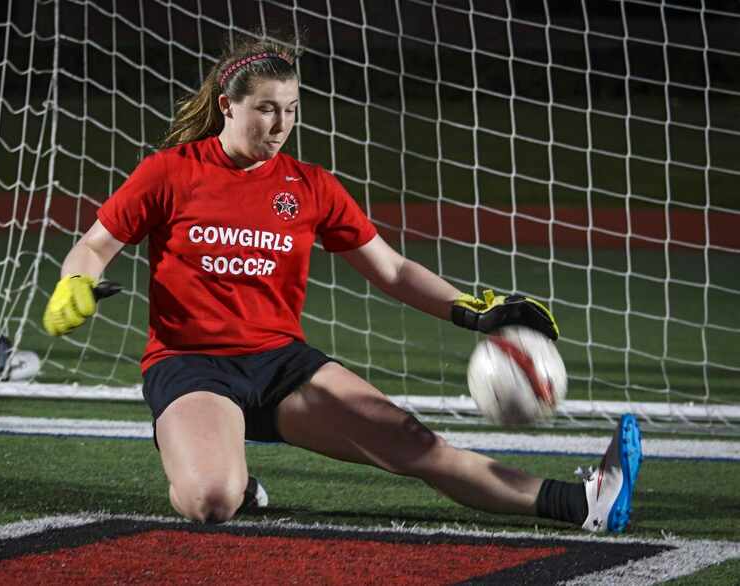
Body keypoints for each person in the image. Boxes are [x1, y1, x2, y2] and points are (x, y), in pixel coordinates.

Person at [42, 37, 641, 532]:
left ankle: (583, 501)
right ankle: (234, 475)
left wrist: (471, 312)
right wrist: (75, 281)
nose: (281, 124)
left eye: (292, 108)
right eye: (266, 109)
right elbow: (95, 244)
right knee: (210, 502)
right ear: (228, 106)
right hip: (192, 365)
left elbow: (393, 271)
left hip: (283, 367)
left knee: (414, 447)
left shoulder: (310, 185)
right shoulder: (171, 171)